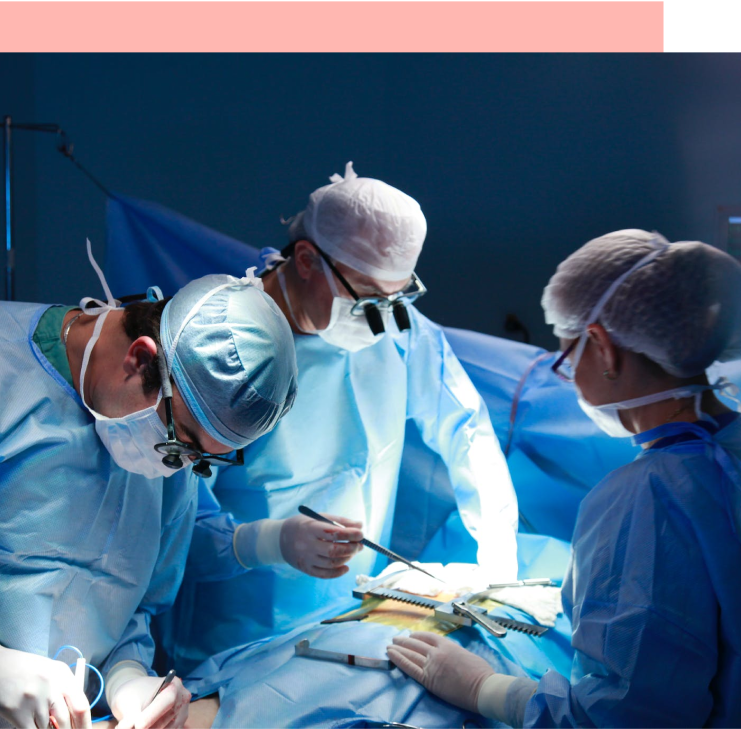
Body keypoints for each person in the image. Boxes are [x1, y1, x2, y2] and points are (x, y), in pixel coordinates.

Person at [387, 229, 741, 728]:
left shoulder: (648, 498)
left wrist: (482, 687)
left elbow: (625, 719)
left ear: (602, 348)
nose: (565, 373)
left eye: (565, 354)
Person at [0, 242, 298, 729]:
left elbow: (129, 605)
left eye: (203, 460)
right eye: (184, 444)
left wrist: (127, 676)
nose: (180, 469)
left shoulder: (171, 459)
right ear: (140, 359)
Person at [162, 162, 519, 673]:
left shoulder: (395, 323)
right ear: (306, 259)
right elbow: (172, 516)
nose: (383, 318)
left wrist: (498, 557)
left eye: (397, 297)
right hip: (235, 633)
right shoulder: (227, 343)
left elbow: (465, 429)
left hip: (350, 615)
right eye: (369, 296)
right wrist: (269, 540)